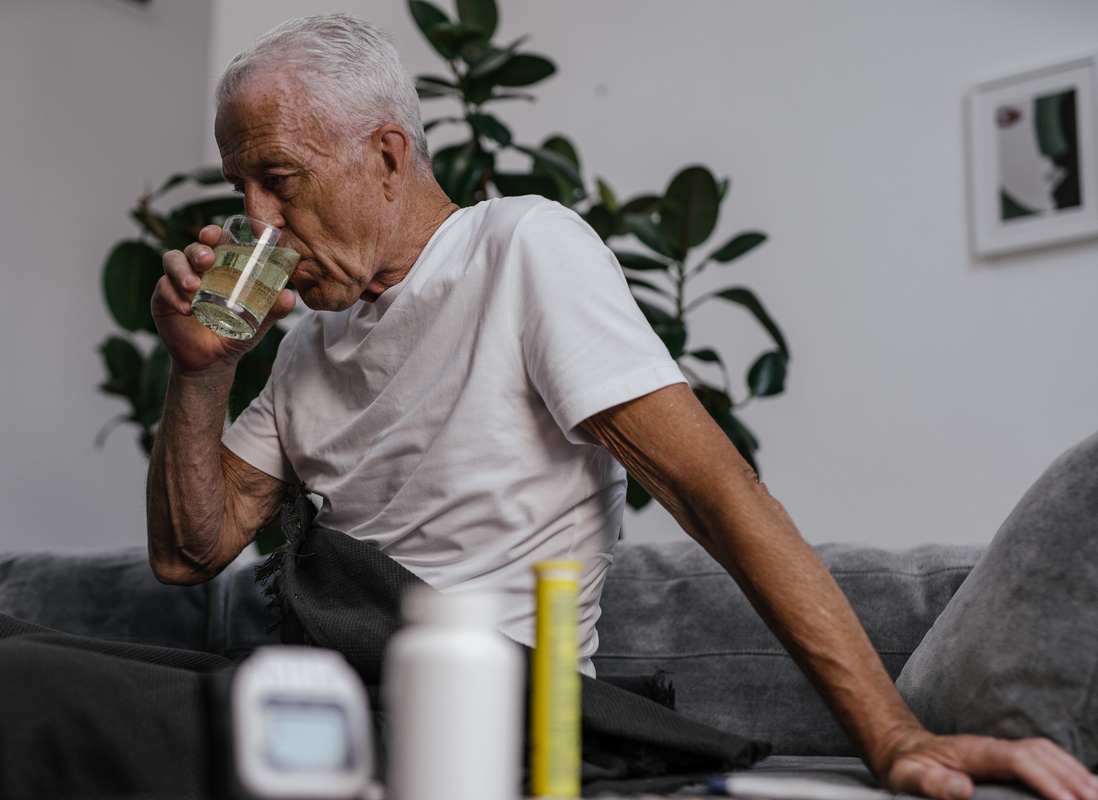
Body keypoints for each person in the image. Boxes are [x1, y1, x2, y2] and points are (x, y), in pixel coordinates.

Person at [144, 12, 1093, 800]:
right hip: (331, 701)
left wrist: (894, 739)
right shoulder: (308, 343)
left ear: (388, 155)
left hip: (488, 723)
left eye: (282, 179)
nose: (255, 222)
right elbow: (190, 551)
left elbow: (717, 494)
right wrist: (198, 371)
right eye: (242, 189)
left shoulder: (521, 250)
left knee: (19, 687)